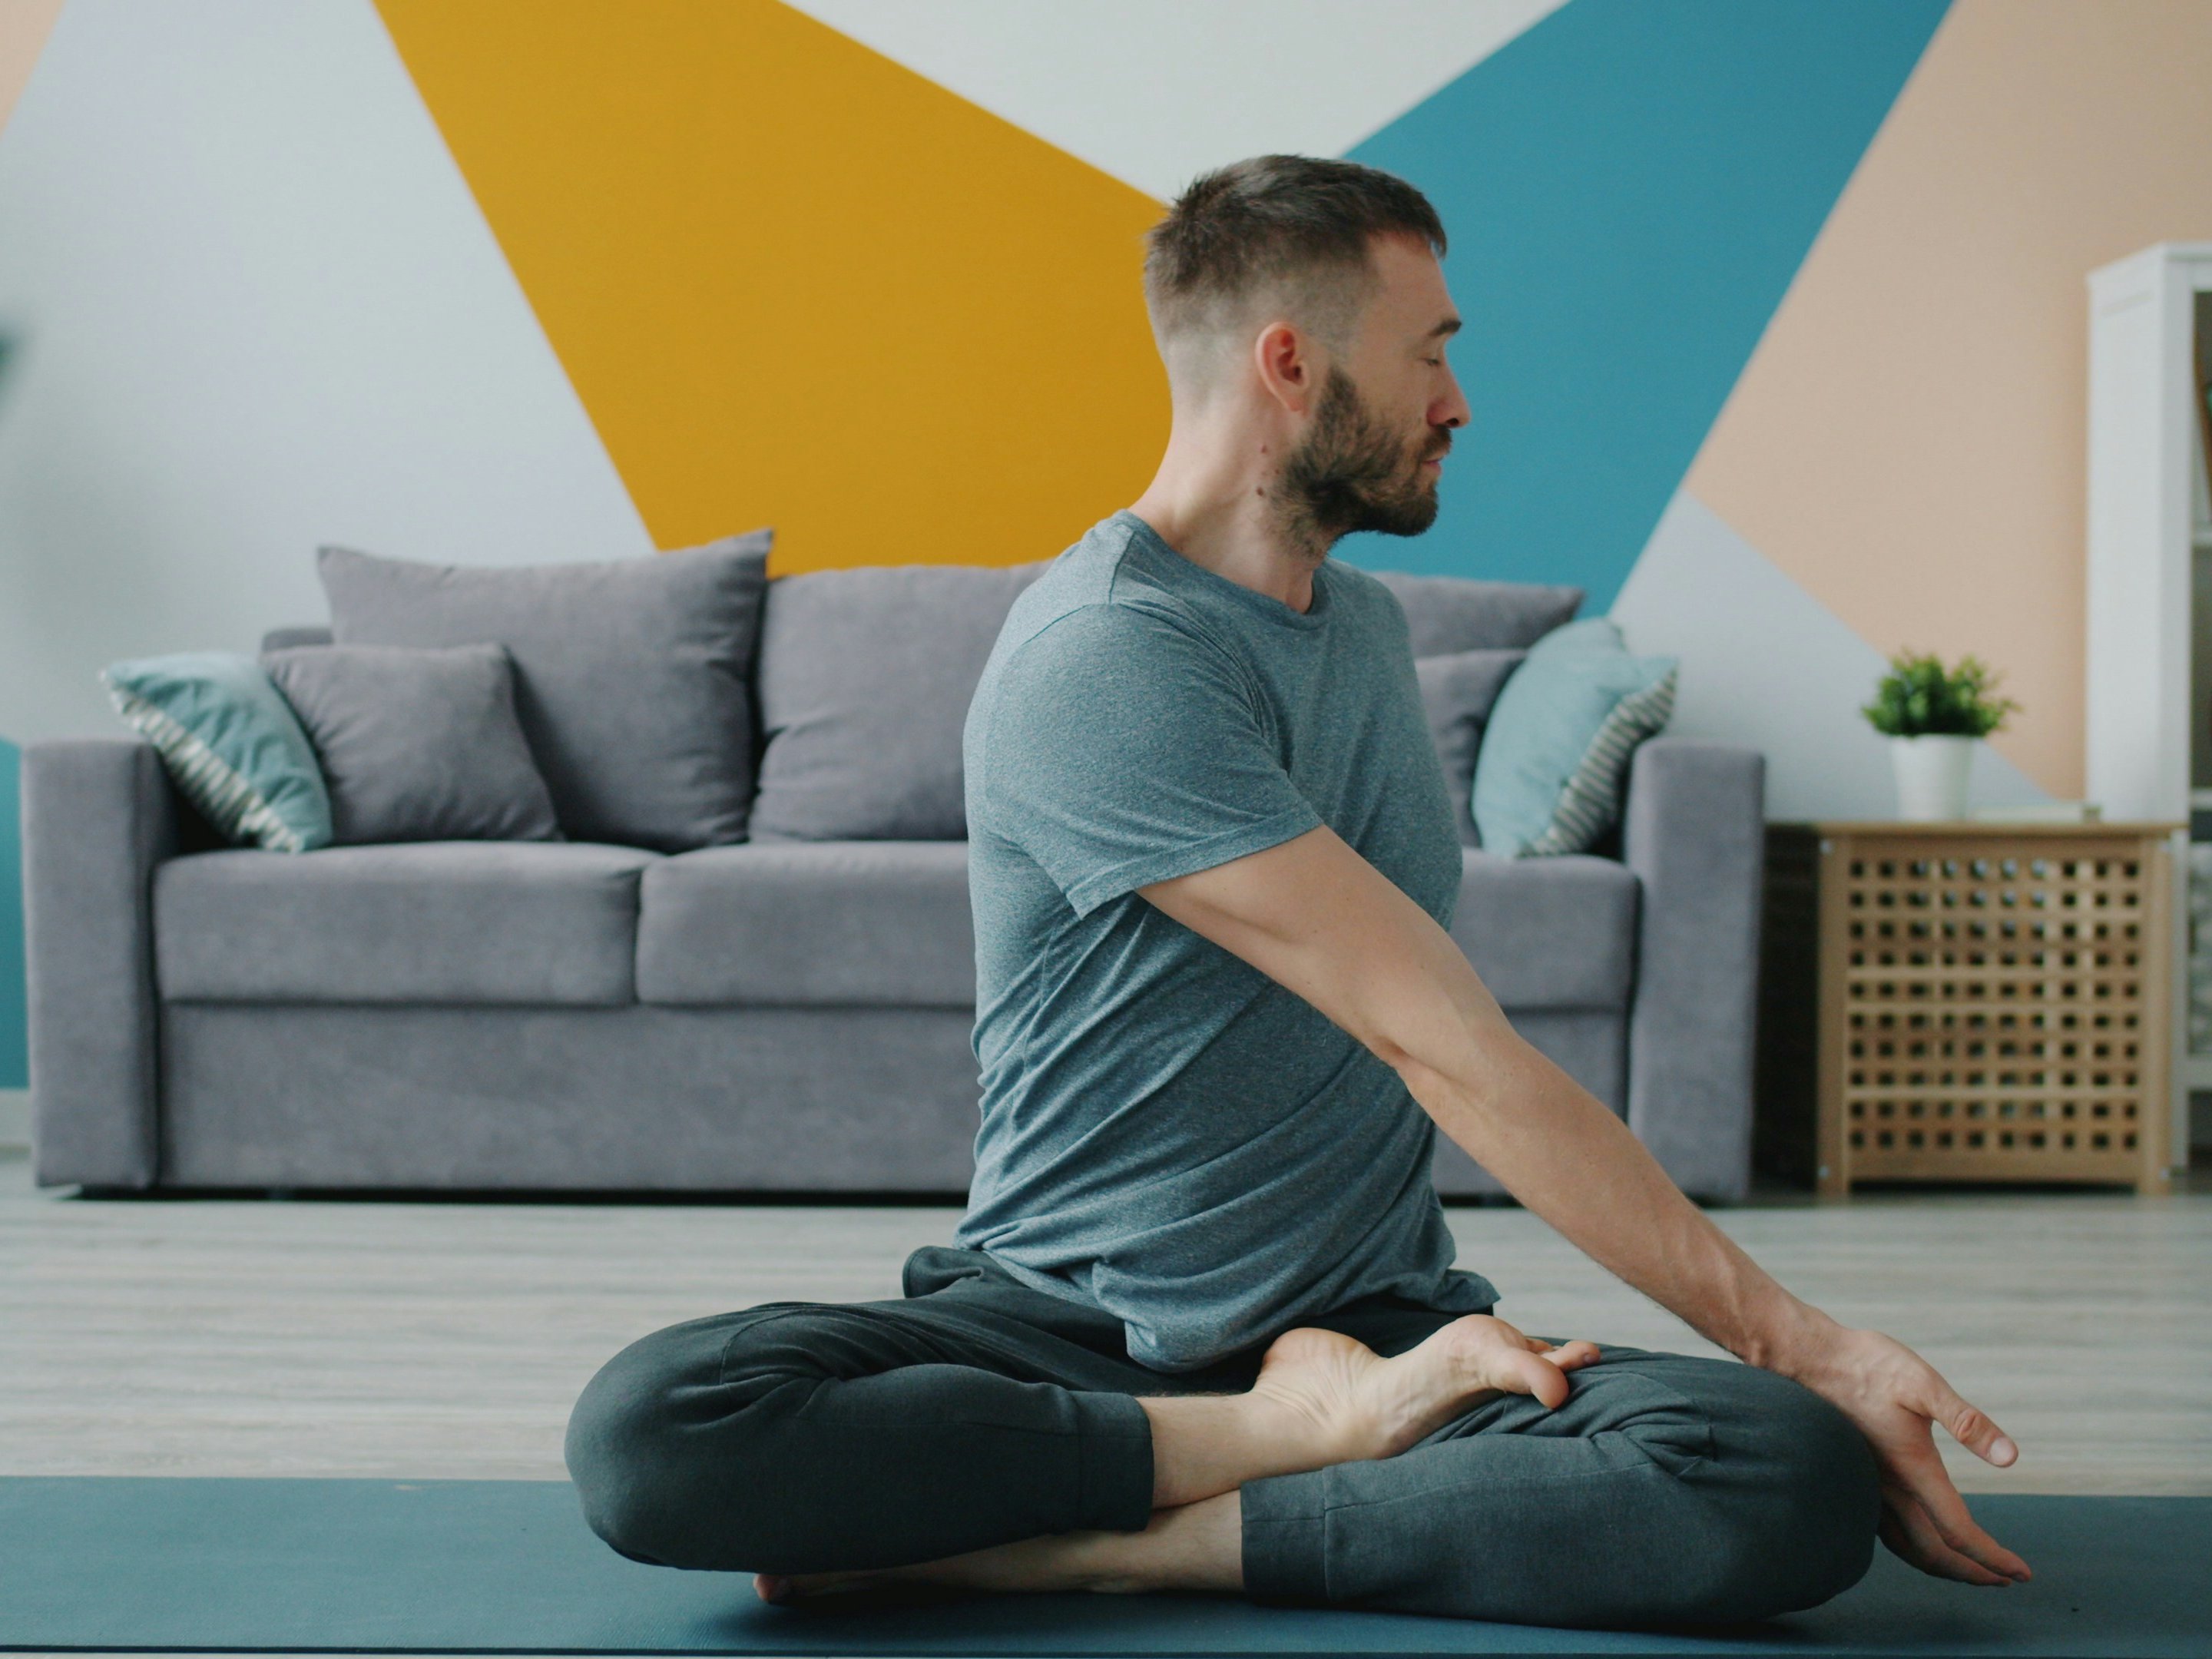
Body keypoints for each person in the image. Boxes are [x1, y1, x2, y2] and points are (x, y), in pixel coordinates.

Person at [564, 154, 2032, 1631]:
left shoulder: (1368, 633)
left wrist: (1773, 1387)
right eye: (1433, 351)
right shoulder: (1109, 653)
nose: (1459, 401)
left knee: (1774, 1479)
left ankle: (1098, 1540)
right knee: (657, 1432)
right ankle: (1282, 1447)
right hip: (1067, 1332)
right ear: (1290, 362)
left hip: (1382, 1332)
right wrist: (1807, 1342)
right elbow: (1442, 1043)